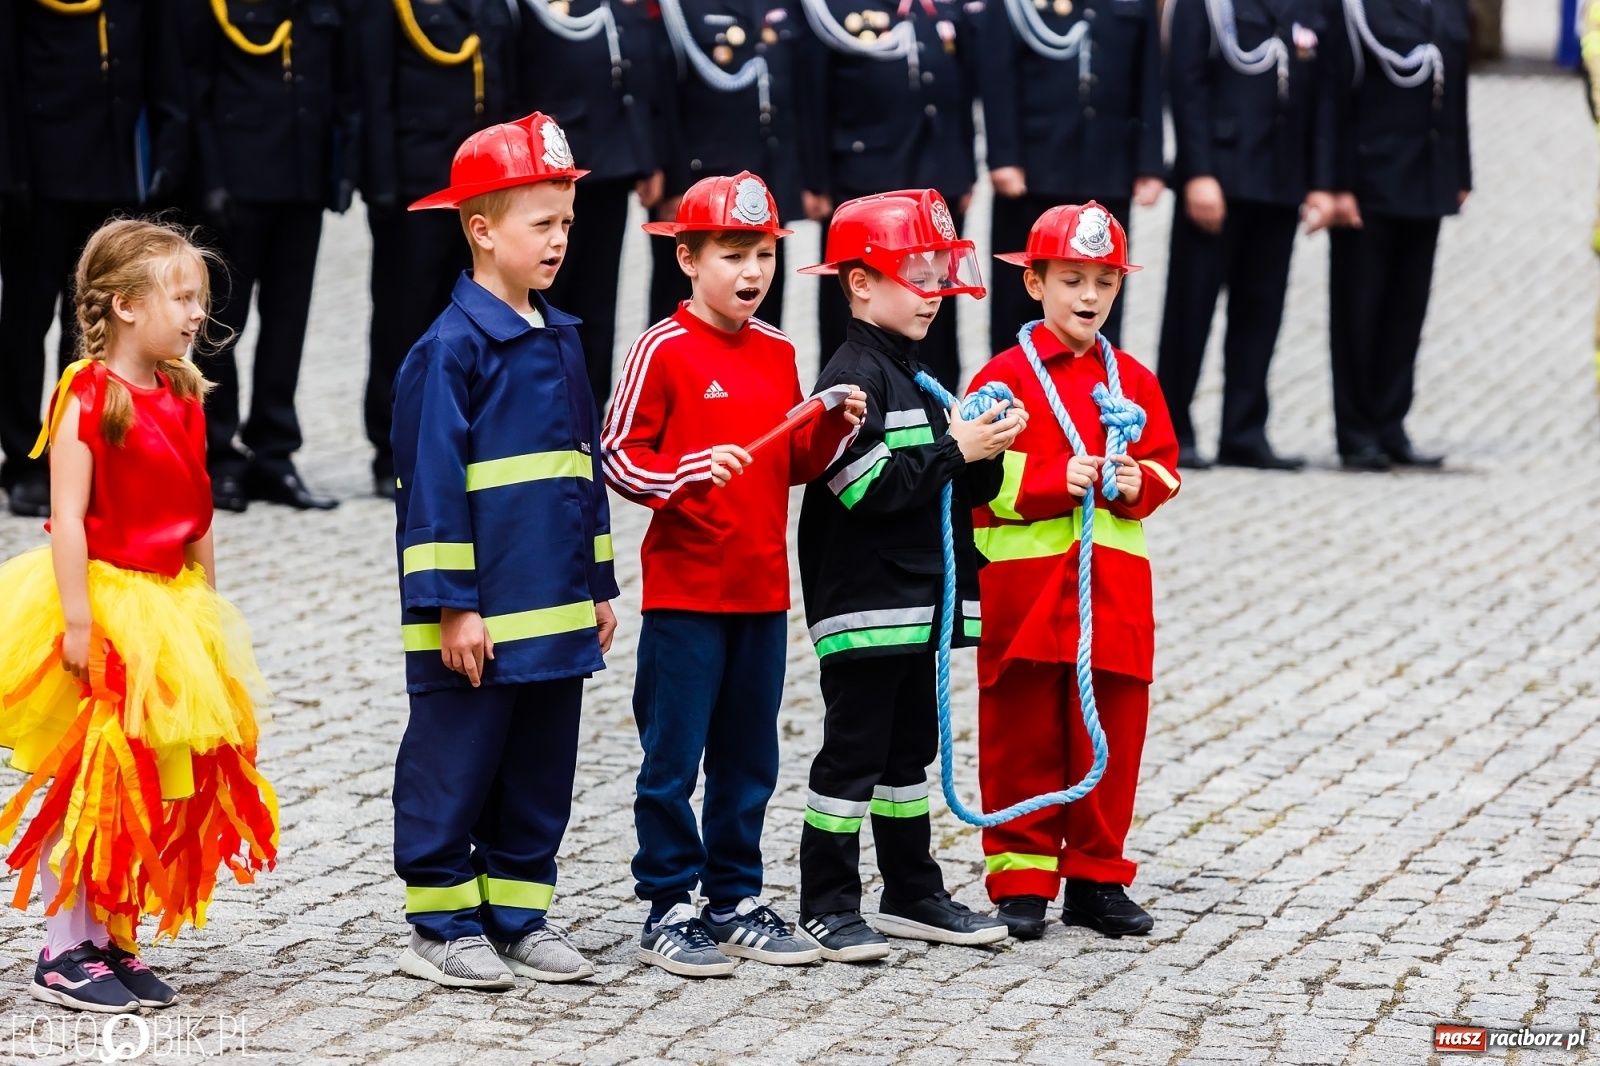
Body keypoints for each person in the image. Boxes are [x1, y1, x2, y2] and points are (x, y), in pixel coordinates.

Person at [0, 219, 278, 1012]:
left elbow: (198, 515)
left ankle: (112, 936)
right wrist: (80, 623)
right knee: (86, 778)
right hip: (103, 600)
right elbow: (69, 515)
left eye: (200, 299)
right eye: (182, 297)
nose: (197, 314)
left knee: (150, 781)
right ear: (124, 305)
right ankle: (62, 947)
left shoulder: (185, 392)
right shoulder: (89, 392)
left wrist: (209, 616)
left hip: (169, 610)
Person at [603, 171, 864, 977]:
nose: (750, 272)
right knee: (673, 757)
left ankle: (735, 894)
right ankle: (667, 903)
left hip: (761, 592)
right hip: (686, 595)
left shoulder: (783, 351)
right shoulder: (662, 349)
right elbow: (617, 454)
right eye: (730, 254)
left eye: (762, 255)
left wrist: (830, 433)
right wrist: (681, 473)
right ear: (687, 257)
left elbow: (787, 465)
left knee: (751, 758)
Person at [389, 113, 619, 990]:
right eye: (541, 223)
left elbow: (579, 472)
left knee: (539, 766)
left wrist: (598, 584)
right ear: (482, 231)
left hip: (555, 606)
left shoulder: (562, 338)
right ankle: (443, 920)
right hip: (475, 616)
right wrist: (453, 604)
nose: (560, 239)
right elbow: (432, 493)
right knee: (455, 760)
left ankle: (520, 913)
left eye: (566, 221)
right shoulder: (445, 352)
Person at [794, 189, 1020, 961]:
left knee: (907, 754)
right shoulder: (853, 376)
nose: (935, 293)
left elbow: (946, 487)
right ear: (859, 282)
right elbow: (867, 488)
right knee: (851, 756)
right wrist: (958, 450)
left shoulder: (917, 376)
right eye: (915, 274)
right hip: (866, 608)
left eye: (939, 274)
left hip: (915, 606)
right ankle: (826, 899)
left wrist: (986, 450)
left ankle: (911, 890)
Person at [967, 203, 1179, 940]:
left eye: (1103, 282)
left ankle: (1095, 877)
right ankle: (1021, 878)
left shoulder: (1135, 383)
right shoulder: (1001, 380)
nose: (1088, 297)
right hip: (1027, 600)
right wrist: (1061, 477)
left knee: (1108, 744)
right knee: (1020, 738)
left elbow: (1166, 471)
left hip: (1112, 599)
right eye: (1070, 280)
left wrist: (1133, 482)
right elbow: (974, 481)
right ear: (1033, 283)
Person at [0, 0, 186, 517]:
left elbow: (161, 68)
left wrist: (169, 155)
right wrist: (9, 170)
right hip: (38, 178)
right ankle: (21, 457)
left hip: (112, 173)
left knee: (96, 324)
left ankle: (83, 450)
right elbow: (7, 73)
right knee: (25, 320)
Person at [177, 0, 358, 512]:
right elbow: (197, 87)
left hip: (303, 180)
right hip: (238, 187)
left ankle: (274, 452)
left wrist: (342, 166)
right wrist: (208, 179)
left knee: (288, 323)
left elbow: (343, 86)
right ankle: (219, 453)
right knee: (219, 326)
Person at [1157, 0, 1336, 470]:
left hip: (1280, 179)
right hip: (1219, 175)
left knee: (1261, 312)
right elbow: (1186, 83)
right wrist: (1198, 171)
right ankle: (1172, 427)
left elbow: (1322, 91)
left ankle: (1245, 429)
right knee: (1189, 312)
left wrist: (1320, 180)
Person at [356, 0, 523, 498]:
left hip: (482, 186)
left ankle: (467, 433)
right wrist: (381, 180)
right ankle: (392, 450)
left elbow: (504, 85)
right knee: (404, 317)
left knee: (478, 311)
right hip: (417, 177)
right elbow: (374, 87)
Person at [797, 0, 979, 392]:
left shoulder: (936, 8)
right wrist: (816, 180)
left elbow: (959, 92)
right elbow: (811, 93)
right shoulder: (832, 9)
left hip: (935, 184)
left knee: (938, 311)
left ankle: (941, 408)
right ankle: (853, 402)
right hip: (865, 185)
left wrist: (962, 169)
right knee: (860, 307)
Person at [1325, 0, 1469, 470]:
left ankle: (1391, 422)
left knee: (1407, 310)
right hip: (1370, 181)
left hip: (1426, 179)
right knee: (1359, 312)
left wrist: (1460, 169)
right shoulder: (1354, 7)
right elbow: (1332, 96)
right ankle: (1356, 431)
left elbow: (1455, 87)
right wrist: (1336, 183)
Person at [979, 0, 1165, 353]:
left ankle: (1097, 393)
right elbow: (997, 70)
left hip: (1107, 168)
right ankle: (1011, 394)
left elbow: (1149, 75)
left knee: (1102, 294)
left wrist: (1149, 163)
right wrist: (1004, 156)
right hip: (1034, 171)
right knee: (1018, 299)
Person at [528, 0, 665, 406]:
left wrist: (646, 155)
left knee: (597, 307)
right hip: (546, 171)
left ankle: (590, 412)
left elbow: (638, 76)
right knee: (545, 298)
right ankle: (540, 410)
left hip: (610, 166)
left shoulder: (612, 9)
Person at [648, 0, 806, 330]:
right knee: (683, 309)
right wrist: (675, 180)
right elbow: (660, 95)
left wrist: (800, 179)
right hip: (701, 191)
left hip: (765, 184)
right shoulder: (677, 8)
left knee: (763, 310)